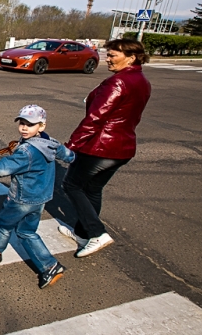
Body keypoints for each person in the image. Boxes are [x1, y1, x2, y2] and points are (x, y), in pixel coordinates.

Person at [59, 38, 151, 258]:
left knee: (71, 185)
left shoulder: (118, 82)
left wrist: (71, 146)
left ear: (131, 57)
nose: (107, 59)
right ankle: (83, 233)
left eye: (113, 55)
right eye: (108, 54)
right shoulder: (141, 80)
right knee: (92, 189)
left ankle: (97, 233)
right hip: (123, 146)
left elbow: (95, 118)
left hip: (100, 147)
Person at [0, 105, 75, 289]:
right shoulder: (50, 143)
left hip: (22, 198)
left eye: (29, 125)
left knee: (3, 225)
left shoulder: (27, 151)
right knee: (27, 231)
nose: (23, 128)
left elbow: (2, 169)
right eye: (21, 123)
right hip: (41, 197)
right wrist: (73, 157)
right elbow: (66, 154)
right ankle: (50, 266)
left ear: (41, 126)